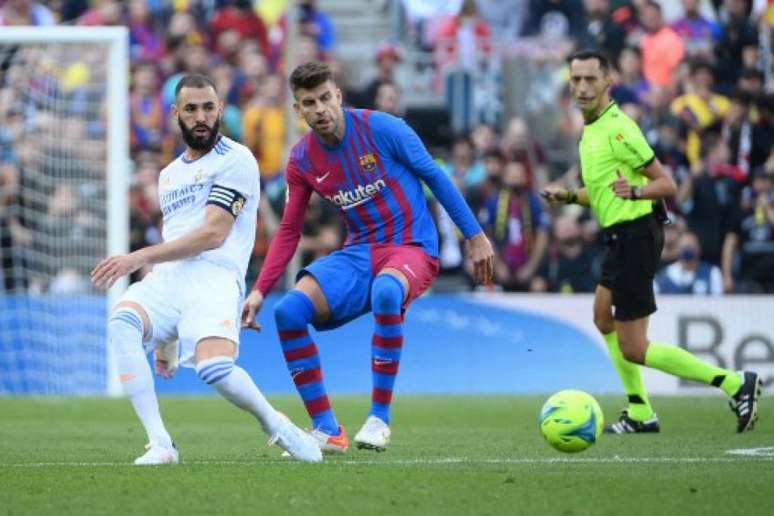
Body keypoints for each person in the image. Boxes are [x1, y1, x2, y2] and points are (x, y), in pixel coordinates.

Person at [240, 62, 494, 453]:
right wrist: (259, 290)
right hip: (359, 253)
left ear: (338, 96)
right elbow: (289, 231)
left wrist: (474, 236)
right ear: (299, 111)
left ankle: (378, 420)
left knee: (387, 291)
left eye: (326, 98)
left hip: (411, 246)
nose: (321, 109)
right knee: (288, 312)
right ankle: (328, 429)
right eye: (310, 103)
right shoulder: (302, 160)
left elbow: (435, 176)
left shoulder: (383, 128)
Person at [91, 75, 321, 465]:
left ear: (220, 111)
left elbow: (213, 234)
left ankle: (276, 424)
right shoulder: (169, 175)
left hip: (214, 275)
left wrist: (137, 257)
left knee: (214, 368)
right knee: (121, 324)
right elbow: (176, 240)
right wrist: (166, 338)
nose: (201, 117)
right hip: (169, 281)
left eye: (209, 108)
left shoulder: (236, 159)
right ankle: (161, 443)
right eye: (192, 109)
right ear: (176, 114)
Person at [541, 50, 761, 434]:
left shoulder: (619, 128)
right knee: (601, 316)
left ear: (608, 82)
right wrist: (570, 197)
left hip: (637, 234)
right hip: (619, 236)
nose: (582, 87)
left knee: (634, 348)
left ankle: (733, 382)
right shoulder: (592, 130)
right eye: (575, 79)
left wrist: (636, 193)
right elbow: (604, 191)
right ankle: (641, 411)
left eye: (590, 79)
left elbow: (666, 184)